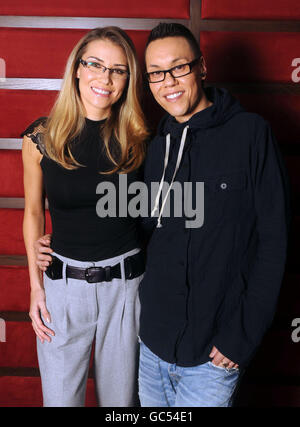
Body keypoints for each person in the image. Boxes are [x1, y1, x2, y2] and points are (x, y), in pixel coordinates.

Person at [137, 23, 290, 407]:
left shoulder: (252, 134)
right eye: (156, 73)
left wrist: (243, 334)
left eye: (179, 68)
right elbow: (139, 232)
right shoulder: (156, 148)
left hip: (213, 355)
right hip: (151, 348)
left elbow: (274, 243)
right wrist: (59, 240)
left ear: (201, 67)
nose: (167, 82)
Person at [21, 26, 148, 407]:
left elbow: (160, 213)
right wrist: (35, 286)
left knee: (121, 407)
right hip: (62, 287)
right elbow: (31, 213)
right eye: (95, 64)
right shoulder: (39, 138)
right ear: (76, 68)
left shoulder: (141, 137)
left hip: (126, 288)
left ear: (128, 79)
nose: (105, 78)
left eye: (118, 69)